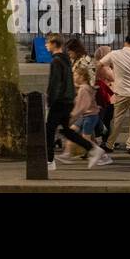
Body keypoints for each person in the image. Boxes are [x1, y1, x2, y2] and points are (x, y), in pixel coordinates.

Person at [44, 36, 105, 170]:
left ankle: (49, 161)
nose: (46, 46)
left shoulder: (56, 61)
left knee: (49, 130)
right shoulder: (66, 60)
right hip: (69, 99)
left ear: (54, 44)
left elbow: (55, 83)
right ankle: (93, 149)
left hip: (59, 100)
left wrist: (50, 100)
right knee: (66, 130)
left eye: (47, 43)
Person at [101, 35, 130, 154]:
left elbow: (100, 64)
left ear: (125, 42)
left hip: (122, 92)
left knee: (117, 120)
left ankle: (109, 144)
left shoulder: (114, 54)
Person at [61, 61, 100, 161]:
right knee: (72, 132)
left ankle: (102, 155)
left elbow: (83, 106)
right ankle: (67, 154)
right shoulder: (83, 87)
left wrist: (73, 115)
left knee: (85, 138)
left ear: (82, 77)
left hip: (90, 116)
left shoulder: (84, 89)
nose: (73, 77)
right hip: (85, 116)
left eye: (75, 75)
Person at [92, 45, 115, 145]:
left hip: (104, 96)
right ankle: (105, 140)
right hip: (106, 96)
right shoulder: (104, 68)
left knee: (105, 118)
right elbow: (115, 77)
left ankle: (106, 139)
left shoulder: (100, 65)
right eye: (109, 53)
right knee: (105, 118)